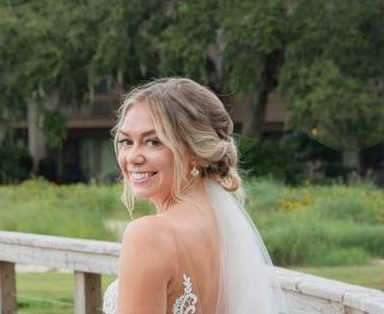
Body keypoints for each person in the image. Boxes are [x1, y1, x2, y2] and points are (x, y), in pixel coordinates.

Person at [101, 78, 284, 314]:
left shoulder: (148, 236)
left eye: (153, 142)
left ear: (194, 151)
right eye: (127, 141)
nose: (133, 157)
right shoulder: (223, 225)